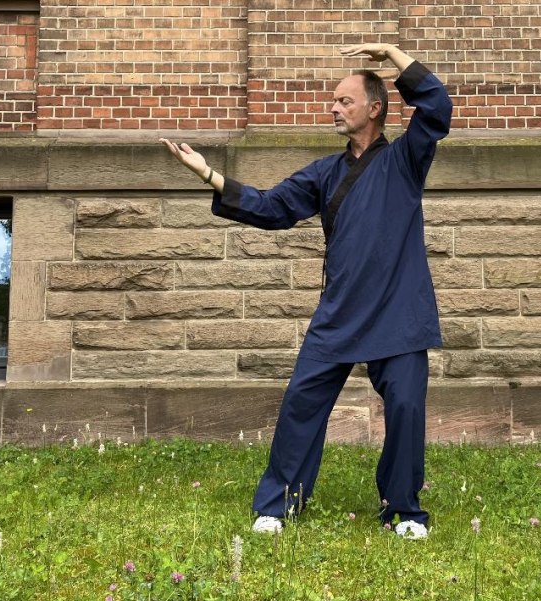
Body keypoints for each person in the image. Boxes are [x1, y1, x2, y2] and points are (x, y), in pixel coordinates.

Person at [160, 43, 452, 540]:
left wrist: (393, 53)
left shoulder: (406, 157)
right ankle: (278, 505)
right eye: (334, 101)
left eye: (344, 101)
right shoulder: (325, 172)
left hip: (398, 313)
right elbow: (271, 207)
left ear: (375, 108)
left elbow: (437, 106)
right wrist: (209, 174)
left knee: (405, 407)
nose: (333, 109)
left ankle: (402, 510)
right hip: (339, 314)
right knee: (301, 403)